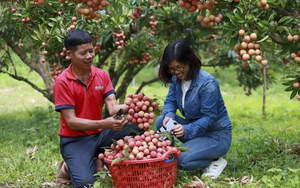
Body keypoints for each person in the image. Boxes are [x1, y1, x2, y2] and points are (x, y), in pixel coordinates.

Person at [53, 29, 143, 187]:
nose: (89, 56)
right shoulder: (62, 82)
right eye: (83, 53)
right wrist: (105, 124)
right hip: (75, 140)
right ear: (69, 54)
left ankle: (98, 159)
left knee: (136, 128)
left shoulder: (101, 75)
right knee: (86, 184)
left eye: (91, 51)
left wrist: (135, 105)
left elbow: (113, 109)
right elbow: (72, 122)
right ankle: (67, 168)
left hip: (99, 135)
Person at [156, 39, 232, 180]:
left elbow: (209, 118)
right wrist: (169, 115)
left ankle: (214, 161)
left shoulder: (207, 83)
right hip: (195, 131)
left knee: (182, 159)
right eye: (171, 69)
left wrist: (186, 130)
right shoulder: (175, 79)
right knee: (161, 121)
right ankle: (165, 161)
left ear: (189, 61)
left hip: (215, 136)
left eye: (179, 67)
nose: (176, 72)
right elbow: (170, 101)